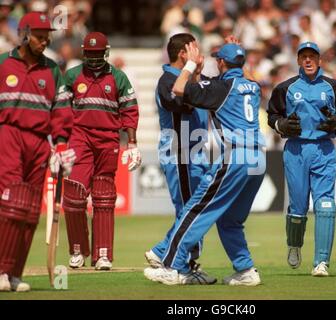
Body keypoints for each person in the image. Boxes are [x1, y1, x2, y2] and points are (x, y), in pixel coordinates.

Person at [144, 39, 266, 286]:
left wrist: (191, 65)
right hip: (259, 159)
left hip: (235, 155)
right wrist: (237, 53)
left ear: (221, 62)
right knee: (228, 220)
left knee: (196, 209)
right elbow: (243, 77)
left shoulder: (219, 87)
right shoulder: (252, 86)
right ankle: (245, 270)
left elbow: (180, 89)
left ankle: (173, 267)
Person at [0, 12, 75, 292]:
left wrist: (62, 144)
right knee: (11, 203)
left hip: (39, 142)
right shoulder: (3, 64)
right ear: (24, 34)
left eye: (47, 37)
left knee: (30, 210)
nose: (44, 41)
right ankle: (1, 270)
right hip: (8, 134)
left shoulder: (52, 70)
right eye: (39, 36)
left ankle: (14, 273)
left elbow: (61, 111)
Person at [267, 41, 336, 277]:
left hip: (324, 149)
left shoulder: (332, 86)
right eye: (303, 56)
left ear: (319, 60)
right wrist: (280, 124)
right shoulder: (286, 87)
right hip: (296, 150)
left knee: (325, 205)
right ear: (298, 61)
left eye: (312, 56)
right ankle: (294, 244)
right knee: (298, 208)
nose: (308, 60)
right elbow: (272, 114)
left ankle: (321, 262)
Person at [62, 32, 141, 271]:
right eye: (91, 53)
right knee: (74, 194)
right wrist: (56, 142)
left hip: (108, 139)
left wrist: (133, 144)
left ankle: (102, 254)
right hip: (80, 137)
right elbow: (60, 109)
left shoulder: (117, 77)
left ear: (105, 52)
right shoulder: (73, 75)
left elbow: (130, 110)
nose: (95, 58)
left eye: (99, 53)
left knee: (104, 196)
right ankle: (77, 249)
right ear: (84, 53)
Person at [144, 33, 214, 282]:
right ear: (184, 53)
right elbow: (182, 102)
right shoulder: (167, 81)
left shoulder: (189, 77)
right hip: (179, 153)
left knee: (194, 210)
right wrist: (192, 72)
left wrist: (196, 73)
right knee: (189, 210)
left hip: (195, 153)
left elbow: (209, 94)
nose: (199, 51)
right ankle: (181, 267)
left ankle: (163, 252)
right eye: (194, 48)